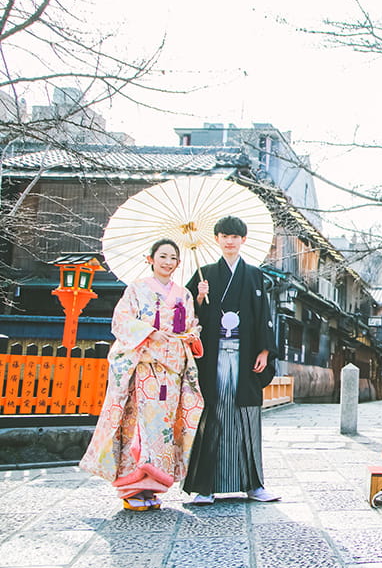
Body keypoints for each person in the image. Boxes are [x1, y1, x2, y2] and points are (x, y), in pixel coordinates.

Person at [80, 238, 204, 511]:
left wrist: (192, 333)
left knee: (163, 428)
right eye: (163, 256)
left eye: (173, 258)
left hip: (170, 371)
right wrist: (150, 334)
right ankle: (130, 487)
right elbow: (122, 321)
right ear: (150, 259)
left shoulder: (183, 294)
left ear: (179, 263)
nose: (168, 262)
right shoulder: (136, 290)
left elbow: (193, 327)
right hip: (143, 366)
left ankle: (151, 487)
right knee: (136, 425)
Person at [183, 215, 280, 504]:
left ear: (243, 241)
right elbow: (186, 315)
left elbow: (264, 314)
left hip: (245, 354)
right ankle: (205, 487)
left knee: (246, 417)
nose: (229, 241)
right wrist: (198, 298)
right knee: (212, 415)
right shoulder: (205, 274)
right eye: (224, 236)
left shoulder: (254, 274)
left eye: (235, 237)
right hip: (213, 356)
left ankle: (254, 485)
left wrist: (264, 350)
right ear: (216, 239)